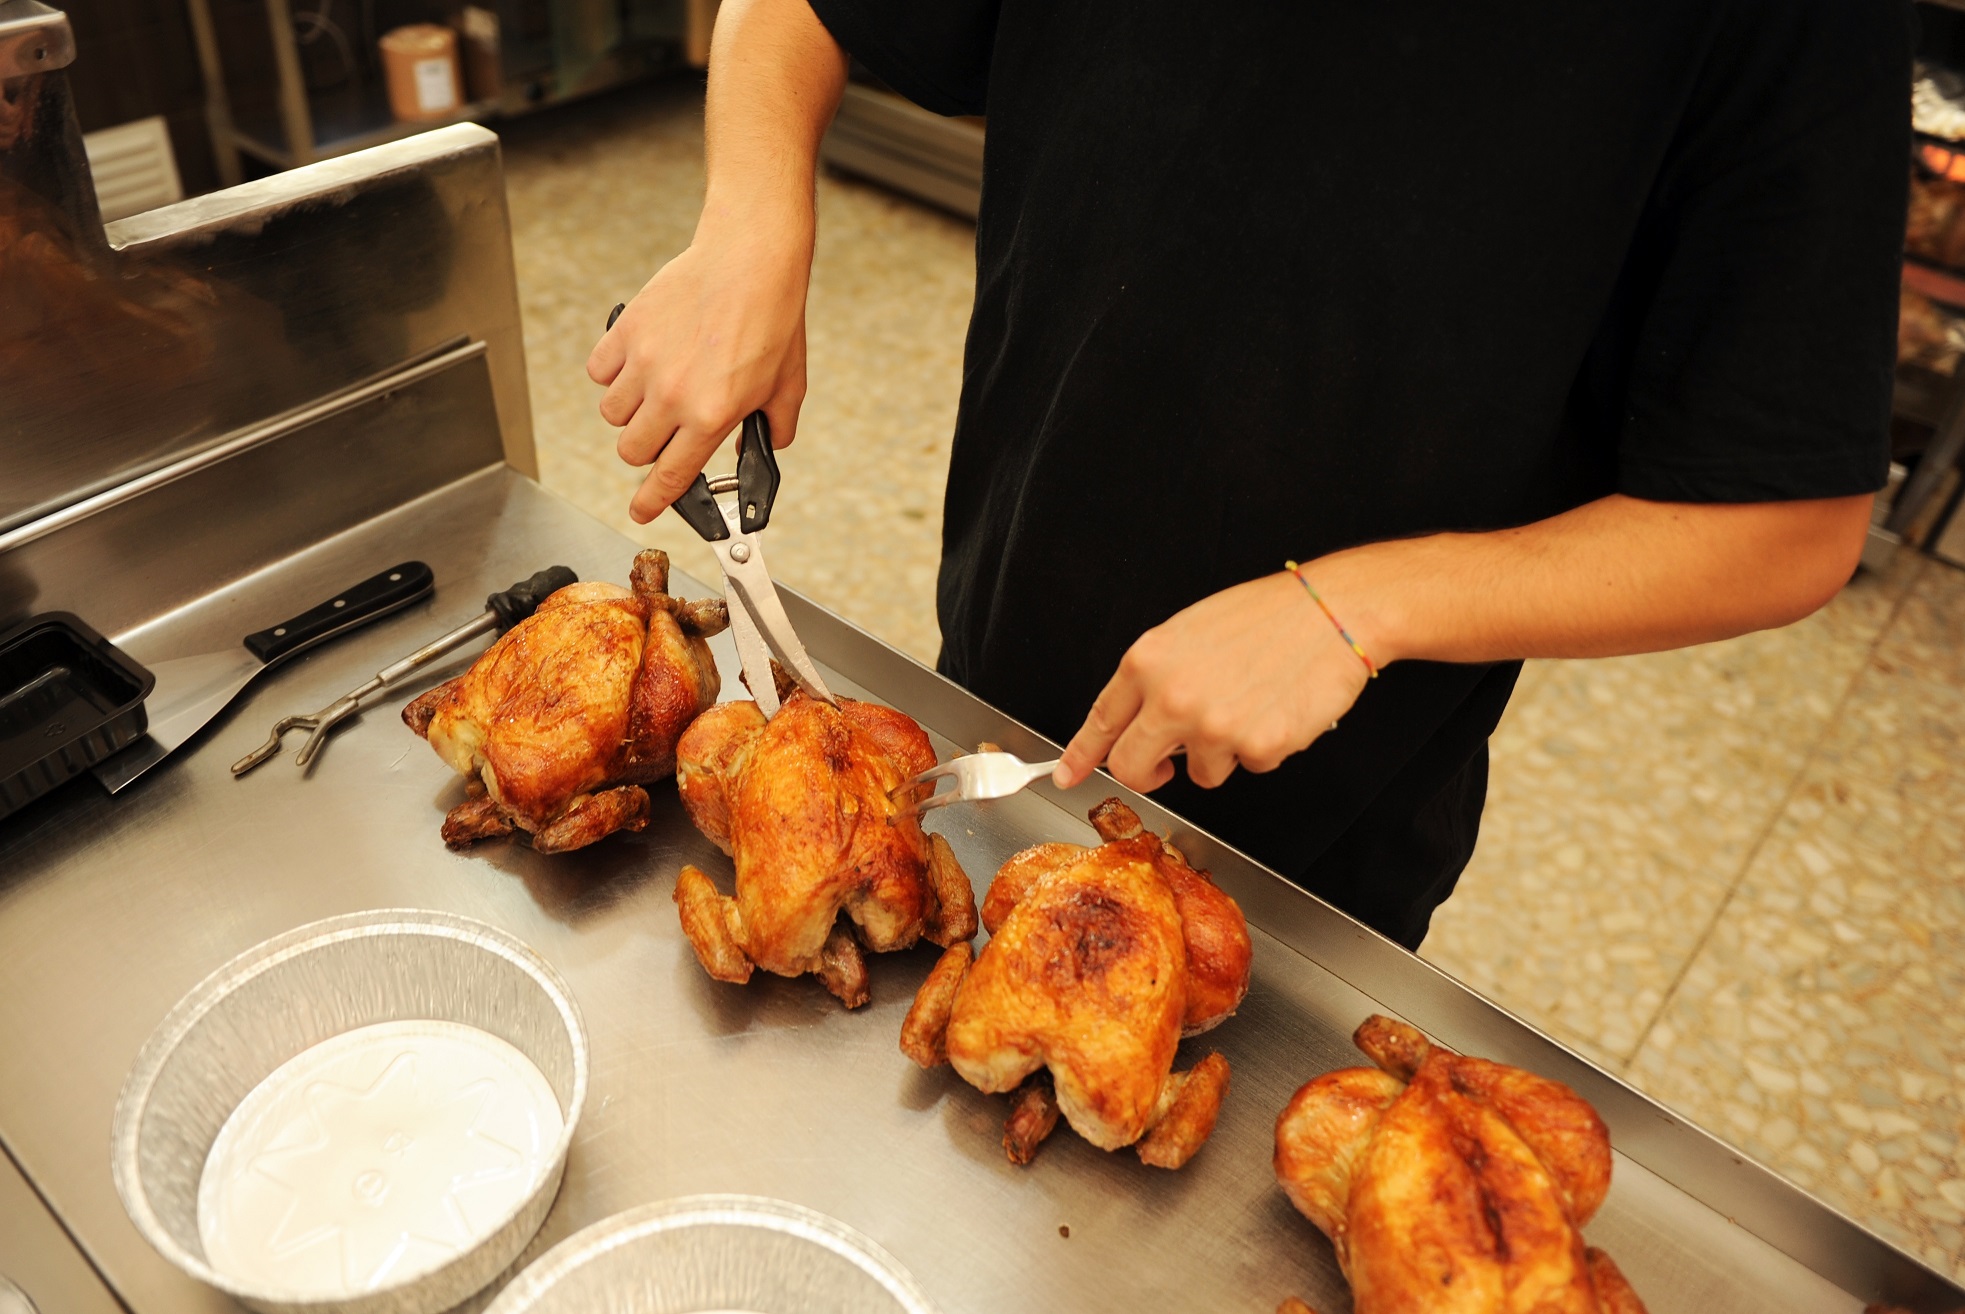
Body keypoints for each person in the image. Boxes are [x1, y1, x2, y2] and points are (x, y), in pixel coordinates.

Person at [587, 0, 1910, 950]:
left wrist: (1354, 608)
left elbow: (1789, 519)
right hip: (1003, 645)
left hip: (1334, 804)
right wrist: (753, 212)